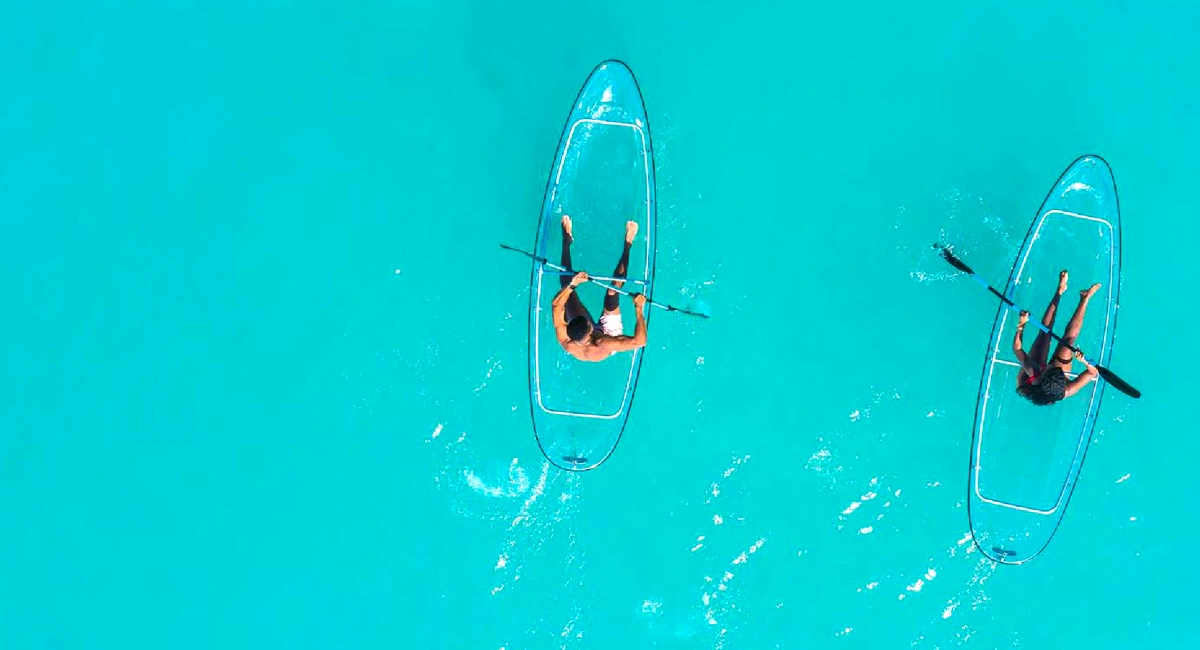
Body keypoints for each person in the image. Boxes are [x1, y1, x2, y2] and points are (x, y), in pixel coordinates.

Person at [551, 215, 648, 362]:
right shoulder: (605, 343)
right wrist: (638, 308)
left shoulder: (566, 340)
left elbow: (556, 305)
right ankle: (628, 244)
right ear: (590, 328)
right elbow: (640, 341)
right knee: (612, 291)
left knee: (565, 285)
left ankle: (566, 241)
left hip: (585, 335)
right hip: (609, 333)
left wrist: (573, 284)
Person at [1013, 270, 1101, 405]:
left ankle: (1060, 291)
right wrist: (1084, 361)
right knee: (1069, 342)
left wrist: (1022, 325)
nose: (1046, 365)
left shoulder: (1034, 373)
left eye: (1046, 368)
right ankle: (1085, 298)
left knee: (1045, 333)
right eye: (1049, 367)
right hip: (1050, 380)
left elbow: (1018, 350)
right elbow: (1092, 373)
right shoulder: (1068, 389)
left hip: (1032, 381)